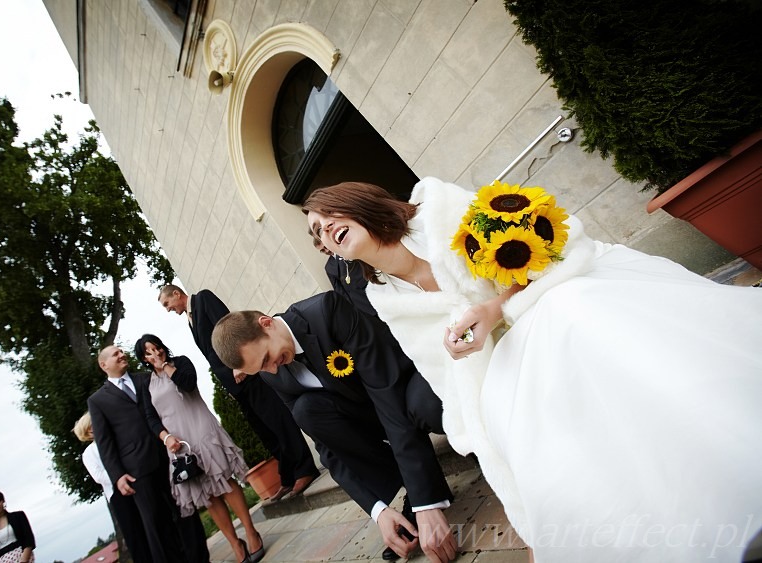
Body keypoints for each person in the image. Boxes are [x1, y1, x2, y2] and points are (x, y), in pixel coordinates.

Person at [303, 177, 762, 562]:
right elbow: (439, 366)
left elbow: (548, 255)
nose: (325, 231)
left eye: (328, 217)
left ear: (355, 203)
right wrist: (460, 350)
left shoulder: (441, 212)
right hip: (500, 353)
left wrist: (494, 309)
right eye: (317, 233)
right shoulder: (380, 295)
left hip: (548, 299)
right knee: (506, 407)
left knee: (569, 314)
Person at [212, 293, 459, 563]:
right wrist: (378, 511)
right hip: (367, 418)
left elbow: (388, 400)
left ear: (266, 323)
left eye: (267, 358)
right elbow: (326, 448)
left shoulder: (326, 311)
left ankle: (425, 491)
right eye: (262, 369)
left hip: (400, 389)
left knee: (430, 407)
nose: (271, 369)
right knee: (307, 413)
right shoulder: (274, 373)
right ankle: (415, 491)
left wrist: (426, 503)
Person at [158, 285, 319, 500]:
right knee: (265, 430)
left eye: (167, 304)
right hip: (234, 385)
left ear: (176, 294)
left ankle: (305, 469)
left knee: (278, 420)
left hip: (246, 373)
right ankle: (288, 475)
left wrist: (239, 365)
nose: (168, 309)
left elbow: (229, 328)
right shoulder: (190, 320)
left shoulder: (203, 299)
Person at [134, 333, 265, 563]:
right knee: (207, 495)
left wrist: (165, 366)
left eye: (156, 347)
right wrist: (166, 438)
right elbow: (150, 417)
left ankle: (251, 532)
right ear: (143, 358)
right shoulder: (146, 384)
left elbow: (188, 384)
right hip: (178, 443)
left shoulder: (181, 362)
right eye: (148, 351)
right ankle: (236, 544)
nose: (155, 352)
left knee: (225, 482)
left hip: (202, 429)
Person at [88, 345, 208, 563]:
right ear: (103, 365)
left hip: (169, 458)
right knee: (156, 524)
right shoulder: (97, 401)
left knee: (186, 513)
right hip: (137, 472)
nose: (122, 354)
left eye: (121, 351)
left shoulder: (146, 379)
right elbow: (105, 442)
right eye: (115, 354)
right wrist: (117, 475)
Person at [73, 413, 151, 563]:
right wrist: (120, 475)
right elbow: (98, 476)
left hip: (137, 484)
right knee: (135, 535)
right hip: (117, 494)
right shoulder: (89, 453)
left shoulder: (116, 439)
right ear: (89, 431)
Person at [309, 229, 376, 316]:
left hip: (371, 288)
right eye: (322, 250)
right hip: (361, 305)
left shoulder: (345, 249)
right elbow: (339, 290)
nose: (326, 251)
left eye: (325, 247)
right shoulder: (328, 267)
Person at [0, 491, 35, 563]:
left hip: (23, 557)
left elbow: (29, 539)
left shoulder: (18, 516)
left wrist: (24, 560)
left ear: (3, 501)